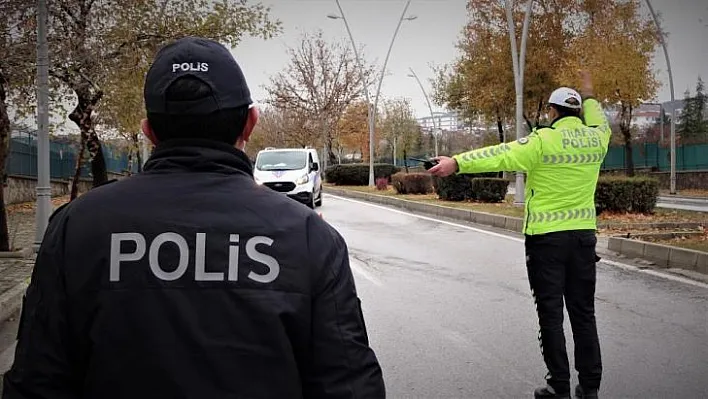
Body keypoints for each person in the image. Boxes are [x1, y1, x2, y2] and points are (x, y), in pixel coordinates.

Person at [3, 37, 385, 399]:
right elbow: (349, 385)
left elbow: (37, 381)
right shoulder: (308, 235)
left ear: (149, 131)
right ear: (249, 123)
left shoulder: (76, 227)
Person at [429, 71, 607, 399]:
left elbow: (501, 153)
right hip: (583, 239)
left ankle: (558, 386)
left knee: (550, 315)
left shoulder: (542, 141)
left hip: (546, 241)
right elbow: (599, 119)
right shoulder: (598, 138)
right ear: (579, 113)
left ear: (552, 112)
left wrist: (456, 162)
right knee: (583, 313)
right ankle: (591, 387)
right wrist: (591, 95)